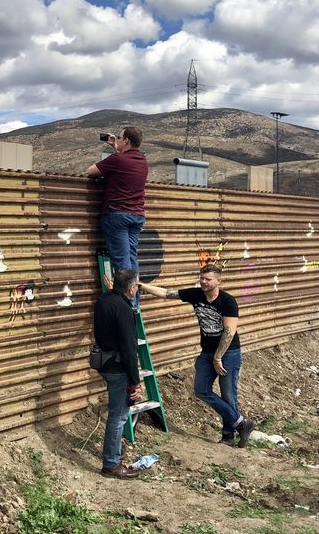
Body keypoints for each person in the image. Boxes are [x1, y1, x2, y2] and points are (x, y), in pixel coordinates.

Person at [138, 264, 255, 447]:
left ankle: (228, 437)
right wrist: (141, 285)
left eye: (208, 279)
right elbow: (167, 293)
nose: (203, 281)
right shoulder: (196, 294)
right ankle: (241, 423)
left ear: (218, 281)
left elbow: (229, 332)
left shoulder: (228, 301)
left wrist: (218, 357)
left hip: (228, 353)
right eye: (202, 278)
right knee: (201, 390)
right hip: (207, 352)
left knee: (228, 395)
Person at [85, 127, 148, 308]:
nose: (117, 140)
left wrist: (115, 152)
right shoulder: (143, 161)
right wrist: (116, 147)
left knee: (121, 262)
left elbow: (90, 171)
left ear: (126, 140)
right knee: (131, 259)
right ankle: (135, 302)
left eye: (119, 138)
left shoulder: (118, 159)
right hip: (136, 216)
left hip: (117, 215)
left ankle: (127, 304)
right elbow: (124, 165)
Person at [93, 268, 144, 479]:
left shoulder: (104, 300)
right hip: (118, 368)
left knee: (117, 414)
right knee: (119, 416)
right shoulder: (124, 309)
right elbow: (129, 350)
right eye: (137, 285)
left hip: (105, 363)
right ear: (131, 289)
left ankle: (113, 453)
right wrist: (135, 382)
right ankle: (111, 464)